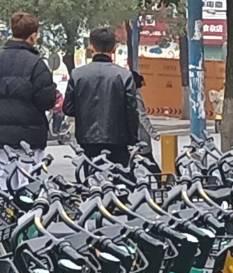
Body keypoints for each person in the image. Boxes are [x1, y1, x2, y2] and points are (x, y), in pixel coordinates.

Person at [64, 27, 138, 166]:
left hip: (87, 140)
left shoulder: (77, 74)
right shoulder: (124, 76)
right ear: (114, 48)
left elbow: (68, 108)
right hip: (118, 140)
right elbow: (131, 111)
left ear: (91, 46)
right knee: (119, 177)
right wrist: (133, 139)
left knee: (91, 176)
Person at [0, 12, 58, 155]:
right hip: (29, 140)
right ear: (32, 36)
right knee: (29, 170)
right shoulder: (37, 64)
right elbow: (46, 101)